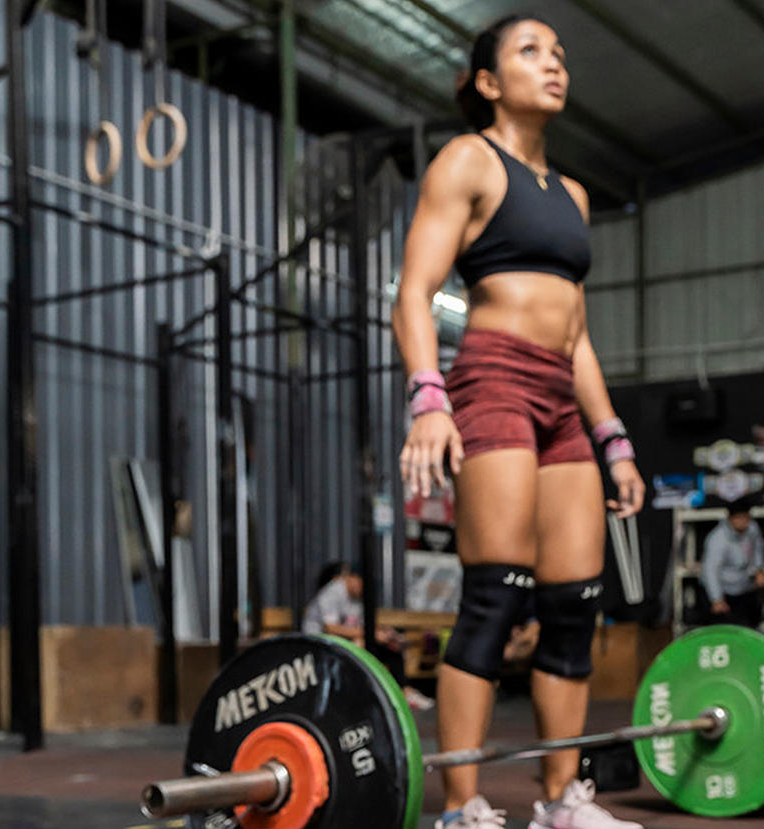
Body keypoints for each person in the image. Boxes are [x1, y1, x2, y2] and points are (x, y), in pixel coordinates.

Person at [392, 14, 646, 829]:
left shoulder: (569, 196)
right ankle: (464, 806)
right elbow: (413, 291)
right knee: (495, 596)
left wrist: (614, 440)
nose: (554, 63)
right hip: (492, 380)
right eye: (530, 51)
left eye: (559, 52)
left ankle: (560, 804)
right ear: (489, 83)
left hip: (559, 400)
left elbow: (577, 335)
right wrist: (428, 398)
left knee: (573, 602)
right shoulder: (468, 160)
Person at [302, 562, 435, 712]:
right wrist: (371, 634)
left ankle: (404, 691)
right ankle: (356, 698)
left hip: (345, 643)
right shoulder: (333, 593)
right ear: (352, 578)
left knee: (391, 646)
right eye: (363, 583)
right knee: (360, 644)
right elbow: (330, 629)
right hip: (319, 646)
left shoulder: (357, 598)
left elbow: (358, 626)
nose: (364, 588)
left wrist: (385, 632)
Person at [700, 500, 764, 628]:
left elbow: (758, 549)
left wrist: (759, 569)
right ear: (730, 519)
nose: (742, 522)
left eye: (745, 518)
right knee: (725, 628)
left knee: (751, 625)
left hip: (744, 587)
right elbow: (711, 570)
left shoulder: (753, 529)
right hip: (723, 590)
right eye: (738, 518)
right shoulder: (718, 538)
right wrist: (717, 599)